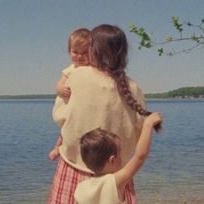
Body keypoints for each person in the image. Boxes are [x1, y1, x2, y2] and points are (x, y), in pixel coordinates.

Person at [48, 24, 161, 204]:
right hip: (116, 176)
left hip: (74, 168)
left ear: (94, 49)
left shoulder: (77, 76)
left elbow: (60, 116)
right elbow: (139, 134)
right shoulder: (133, 88)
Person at [74, 112, 162, 204]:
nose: (121, 156)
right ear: (112, 160)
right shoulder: (114, 182)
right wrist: (148, 124)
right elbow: (139, 156)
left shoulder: (80, 188)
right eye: (119, 152)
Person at [48, 28, 90, 161]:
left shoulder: (93, 68)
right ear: (69, 51)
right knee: (65, 130)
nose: (79, 56)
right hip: (68, 108)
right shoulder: (70, 69)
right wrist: (60, 89)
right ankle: (57, 148)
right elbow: (59, 84)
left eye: (85, 52)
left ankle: (63, 149)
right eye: (75, 52)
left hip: (82, 109)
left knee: (75, 131)